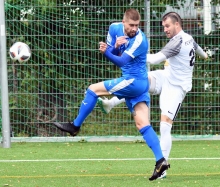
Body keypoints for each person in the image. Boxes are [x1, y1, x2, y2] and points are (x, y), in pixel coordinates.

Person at [53, 8, 170, 181]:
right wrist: (113, 47)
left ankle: (75, 126)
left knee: (93, 89)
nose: (134, 28)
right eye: (131, 25)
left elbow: (121, 60)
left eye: (137, 25)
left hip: (134, 82)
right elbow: (115, 54)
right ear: (124, 22)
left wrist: (106, 51)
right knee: (142, 124)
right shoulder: (114, 29)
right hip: (136, 84)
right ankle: (161, 161)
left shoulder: (140, 39)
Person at [97, 11, 208, 178]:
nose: (165, 29)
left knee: (164, 126)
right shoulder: (188, 38)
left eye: (167, 26)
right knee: (138, 82)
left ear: (177, 24)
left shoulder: (177, 41)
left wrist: (134, 55)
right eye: (163, 26)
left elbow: (155, 59)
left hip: (177, 87)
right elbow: (198, 48)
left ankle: (162, 168)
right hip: (166, 75)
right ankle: (110, 104)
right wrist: (205, 56)